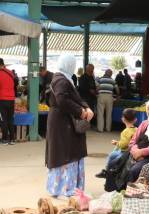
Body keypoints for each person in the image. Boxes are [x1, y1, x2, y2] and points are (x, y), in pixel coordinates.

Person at [45, 54, 92, 198]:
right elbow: (62, 99)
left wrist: (85, 107)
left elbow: (74, 98)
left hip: (62, 121)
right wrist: (80, 112)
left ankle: (63, 188)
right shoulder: (61, 80)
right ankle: (66, 189)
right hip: (63, 123)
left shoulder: (62, 78)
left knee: (66, 152)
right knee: (67, 153)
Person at [95, 108, 137, 178]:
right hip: (132, 150)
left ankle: (106, 171)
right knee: (115, 151)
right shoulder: (136, 129)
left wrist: (117, 143)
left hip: (125, 152)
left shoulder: (125, 132)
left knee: (111, 155)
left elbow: (123, 144)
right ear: (135, 120)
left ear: (123, 119)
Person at [0, 58, 16, 145]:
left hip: (2, 99)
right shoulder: (10, 72)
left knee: (3, 119)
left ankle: (5, 139)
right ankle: (12, 139)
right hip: (11, 99)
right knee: (11, 119)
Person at [77, 64, 97, 128]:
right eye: (92, 69)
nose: (93, 70)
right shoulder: (82, 77)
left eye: (93, 69)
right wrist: (90, 90)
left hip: (91, 98)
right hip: (84, 98)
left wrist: (95, 90)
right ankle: (84, 125)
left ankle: (88, 124)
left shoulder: (92, 77)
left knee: (91, 112)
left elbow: (94, 86)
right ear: (88, 69)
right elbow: (82, 87)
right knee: (85, 112)